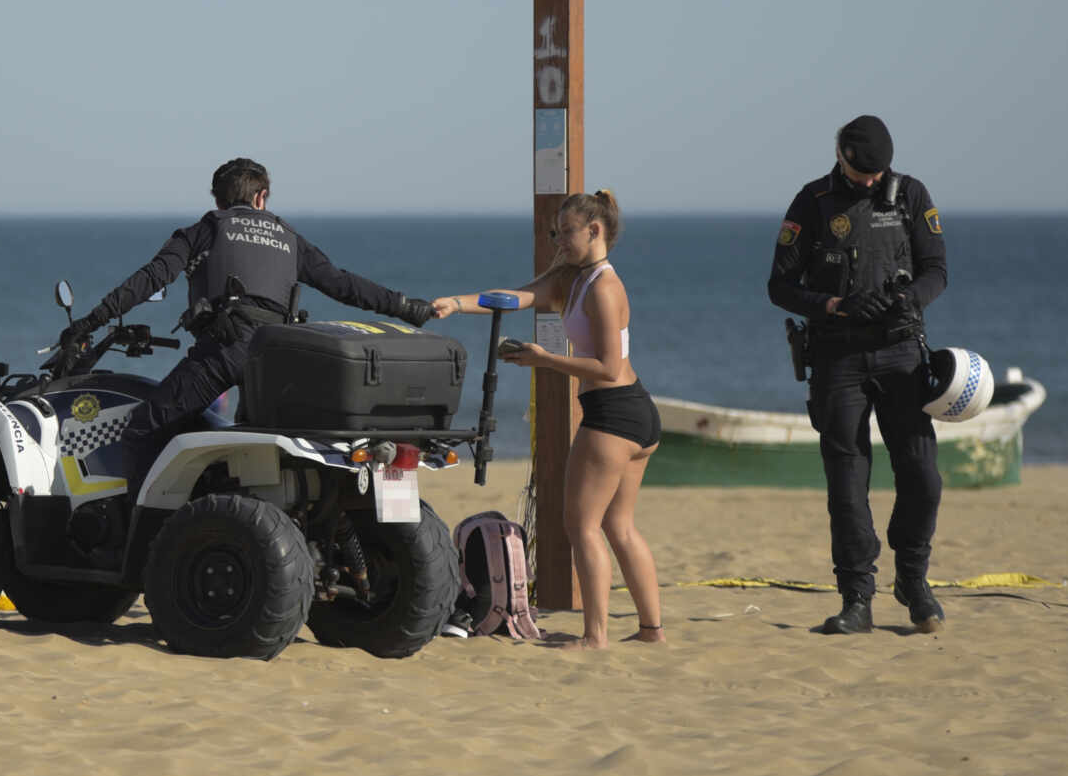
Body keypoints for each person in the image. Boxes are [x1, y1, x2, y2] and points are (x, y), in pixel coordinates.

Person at [59, 157, 434, 496]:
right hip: (280, 354)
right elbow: (345, 285)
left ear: (218, 202)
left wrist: (89, 323)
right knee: (256, 433)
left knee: (144, 429)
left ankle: (141, 540)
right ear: (262, 198)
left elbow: (148, 280)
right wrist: (407, 308)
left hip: (223, 351)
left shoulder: (204, 230)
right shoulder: (290, 239)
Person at [431, 190, 664, 649]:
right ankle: (651, 631)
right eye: (555, 233)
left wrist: (546, 360)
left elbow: (609, 368)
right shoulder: (572, 279)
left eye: (566, 232)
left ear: (594, 231)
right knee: (618, 527)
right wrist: (456, 303)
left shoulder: (604, 287)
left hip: (615, 414)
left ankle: (595, 636)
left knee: (582, 526)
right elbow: (513, 298)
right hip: (632, 414)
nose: (558, 241)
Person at [768, 114, 948, 635]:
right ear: (840, 154)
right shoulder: (812, 202)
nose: (870, 182)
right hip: (837, 359)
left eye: (877, 174)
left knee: (923, 476)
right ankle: (856, 598)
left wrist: (904, 298)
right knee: (847, 487)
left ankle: (913, 582)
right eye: (860, 173)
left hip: (900, 355)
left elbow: (937, 269)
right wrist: (833, 304)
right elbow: (779, 286)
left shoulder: (911, 195)